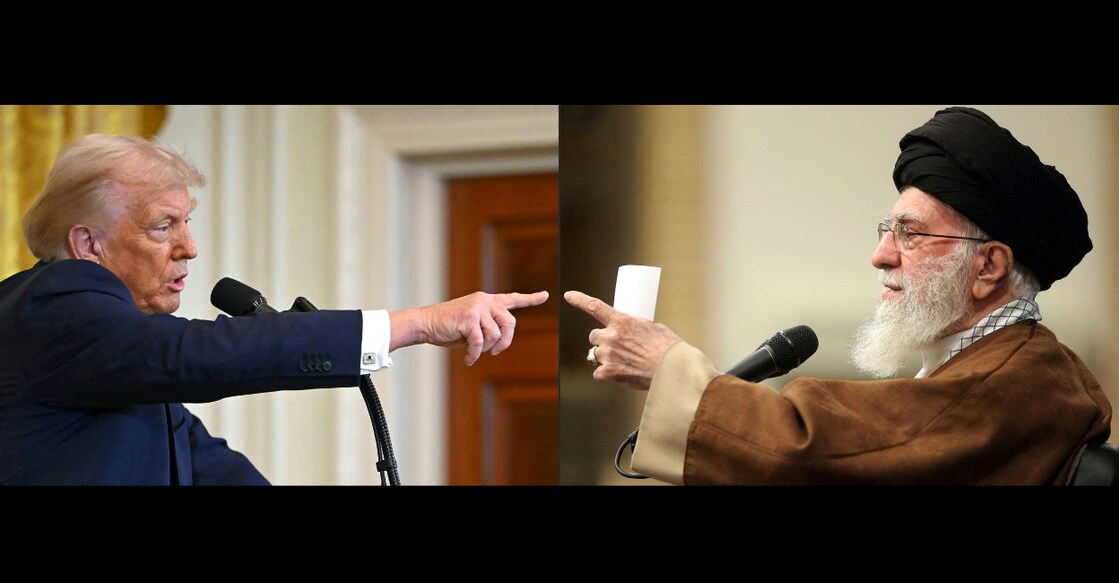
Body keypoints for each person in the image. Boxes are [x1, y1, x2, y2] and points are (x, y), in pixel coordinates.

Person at [565, 106, 1112, 485]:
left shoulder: (1008, 382)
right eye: (886, 229)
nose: (881, 255)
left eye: (911, 233)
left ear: (989, 265)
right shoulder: (1002, 365)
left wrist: (668, 367)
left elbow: (811, 451)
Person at [0, 133, 548, 485]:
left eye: (188, 222)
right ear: (87, 245)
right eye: (163, 226)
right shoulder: (55, 303)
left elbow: (210, 468)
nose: (189, 247)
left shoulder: (115, 357)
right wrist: (417, 324)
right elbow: (198, 355)